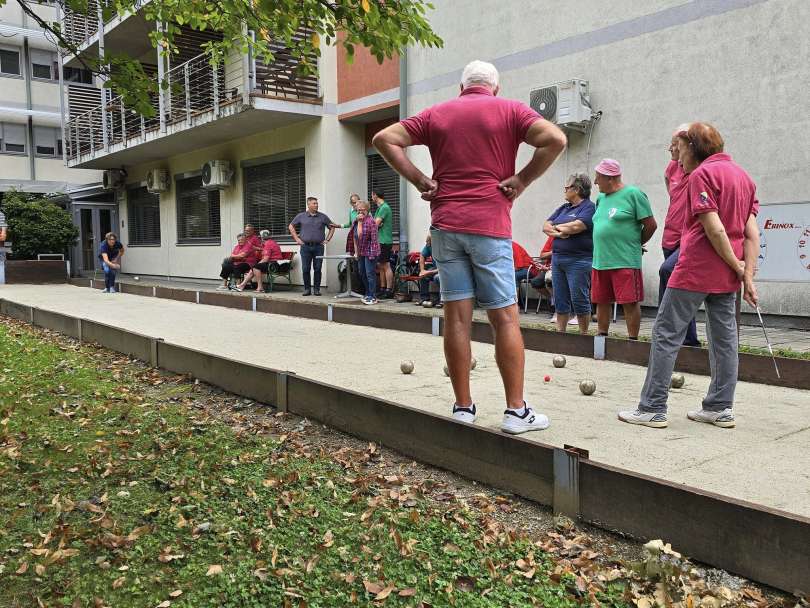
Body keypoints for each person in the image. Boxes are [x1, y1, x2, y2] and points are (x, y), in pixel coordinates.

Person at [373, 59, 566, 434]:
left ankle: (463, 407)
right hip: (490, 226)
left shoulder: (437, 114)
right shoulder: (509, 109)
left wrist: (419, 180)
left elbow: (384, 139)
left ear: (462, 87)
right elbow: (555, 139)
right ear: (494, 86)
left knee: (456, 317)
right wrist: (522, 179)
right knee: (505, 318)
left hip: (445, 227)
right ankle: (515, 412)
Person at [619, 123, 759, 429]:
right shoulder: (744, 178)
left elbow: (714, 228)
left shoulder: (702, 175)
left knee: (666, 333)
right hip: (727, 274)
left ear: (693, 147)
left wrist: (739, 269)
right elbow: (751, 233)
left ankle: (652, 407)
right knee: (725, 340)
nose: (677, 157)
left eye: (679, 149)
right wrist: (746, 273)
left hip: (696, 268)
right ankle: (719, 407)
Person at [591, 159, 657, 340]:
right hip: (600, 260)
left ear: (609, 178)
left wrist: (636, 243)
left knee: (629, 302)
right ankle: (601, 340)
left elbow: (650, 225)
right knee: (601, 301)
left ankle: (632, 342)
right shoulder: (600, 198)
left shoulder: (634, 194)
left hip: (625, 260)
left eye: (598, 178)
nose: (595, 182)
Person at [660, 125, 701, 347]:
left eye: (675, 145)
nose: (670, 149)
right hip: (670, 236)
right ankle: (687, 339)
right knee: (679, 285)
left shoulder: (699, 170)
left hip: (686, 238)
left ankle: (668, 333)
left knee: (668, 272)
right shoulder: (672, 168)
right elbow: (672, 193)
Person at [543, 173, 596, 334]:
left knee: (579, 299)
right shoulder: (563, 208)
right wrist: (560, 233)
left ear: (577, 189)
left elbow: (577, 226)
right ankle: (561, 334)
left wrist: (557, 228)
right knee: (560, 299)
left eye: (567, 187)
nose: (564, 190)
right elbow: (545, 226)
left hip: (579, 260)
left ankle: (583, 335)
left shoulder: (589, 207)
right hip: (558, 259)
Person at [288, 197, 335, 296]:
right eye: (314, 203)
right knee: (306, 268)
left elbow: (332, 227)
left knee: (317, 268)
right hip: (305, 247)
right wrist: (297, 239)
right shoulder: (301, 216)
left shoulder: (323, 217)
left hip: (319, 247)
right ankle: (307, 289)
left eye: (317, 203)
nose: (316, 205)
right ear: (308, 205)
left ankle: (317, 289)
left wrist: (327, 239)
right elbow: (291, 226)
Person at [352, 200, 380, 305]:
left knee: (369, 273)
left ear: (367, 210)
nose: (360, 212)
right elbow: (355, 237)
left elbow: (372, 239)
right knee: (362, 272)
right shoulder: (356, 221)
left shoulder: (370, 221)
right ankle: (368, 293)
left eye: (362, 210)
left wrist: (373, 254)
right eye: (358, 210)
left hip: (370, 251)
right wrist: (356, 252)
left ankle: (373, 296)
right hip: (361, 252)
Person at [372, 188, 395, 299]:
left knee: (386, 265)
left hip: (385, 240)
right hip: (379, 240)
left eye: (372, 195)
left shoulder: (384, 207)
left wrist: (376, 224)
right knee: (380, 265)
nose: (372, 197)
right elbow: (376, 224)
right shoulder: (380, 208)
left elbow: (375, 224)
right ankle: (382, 288)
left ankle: (389, 290)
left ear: (375, 195)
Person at [416, 233, 441, 307]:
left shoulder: (442, 247)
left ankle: (442, 300)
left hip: (445, 269)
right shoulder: (428, 246)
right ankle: (424, 298)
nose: (427, 244)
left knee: (438, 277)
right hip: (435, 268)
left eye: (428, 242)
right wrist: (422, 270)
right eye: (426, 242)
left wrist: (429, 272)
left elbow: (443, 268)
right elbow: (422, 256)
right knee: (424, 276)